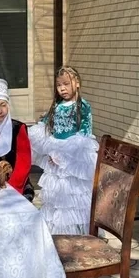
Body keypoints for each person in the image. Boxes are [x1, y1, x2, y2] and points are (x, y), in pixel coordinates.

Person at [29, 66, 98, 234]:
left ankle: (76, 233)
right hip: (55, 159)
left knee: (72, 198)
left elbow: (83, 136)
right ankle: (57, 232)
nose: (62, 88)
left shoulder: (83, 106)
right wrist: (50, 151)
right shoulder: (57, 106)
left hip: (73, 162)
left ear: (77, 83)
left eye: (66, 84)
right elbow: (45, 127)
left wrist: (63, 155)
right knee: (57, 198)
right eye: (59, 85)